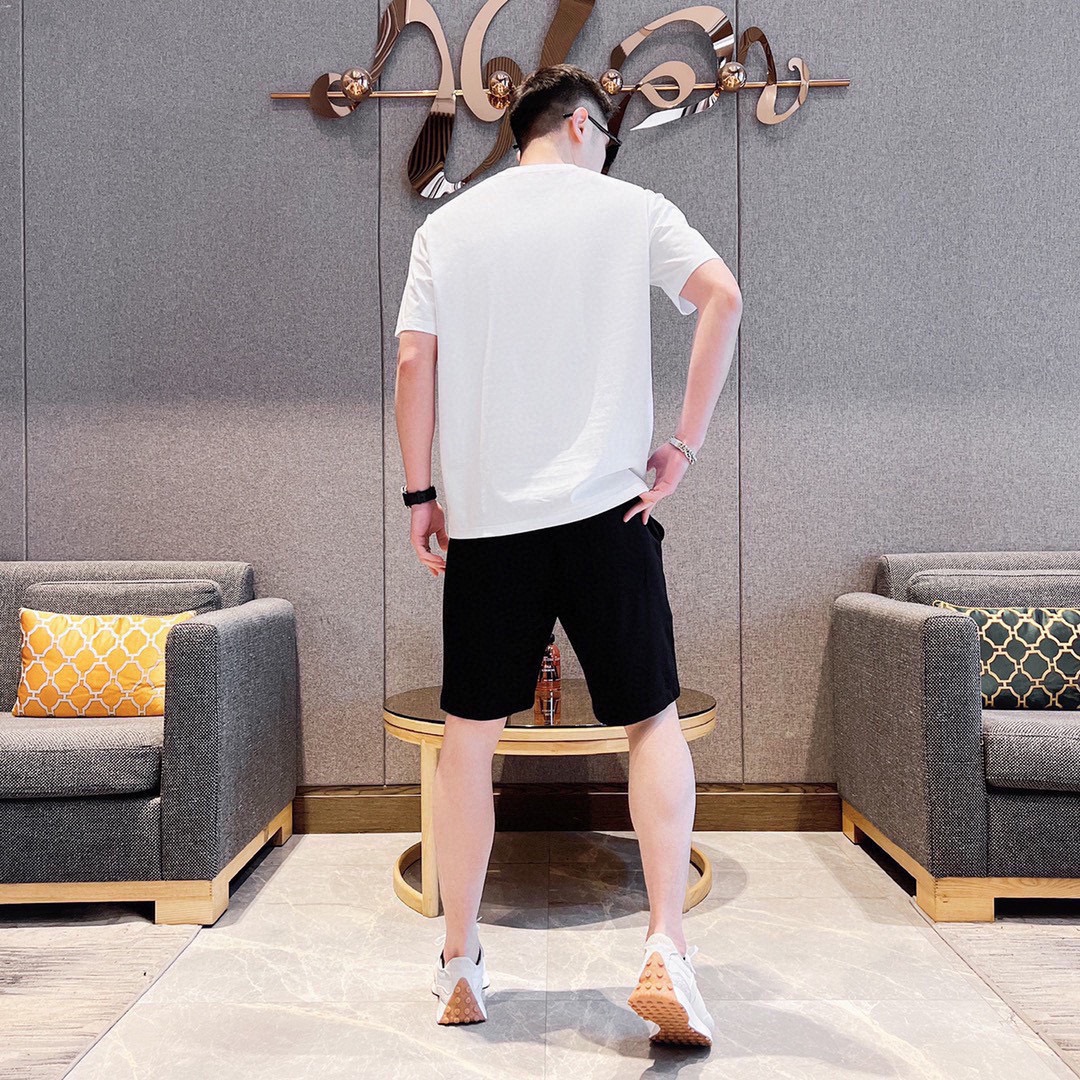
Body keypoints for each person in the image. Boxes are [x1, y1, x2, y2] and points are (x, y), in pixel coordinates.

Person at [393, 63, 742, 1040]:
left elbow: (414, 359)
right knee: (651, 722)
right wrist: (683, 446)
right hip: (608, 515)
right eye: (608, 138)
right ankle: (667, 944)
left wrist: (421, 494)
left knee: (470, 738)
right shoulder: (633, 210)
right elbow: (722, 297)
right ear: (585, 124)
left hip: (490, 524)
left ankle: (459, 961)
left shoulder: (449, 227)